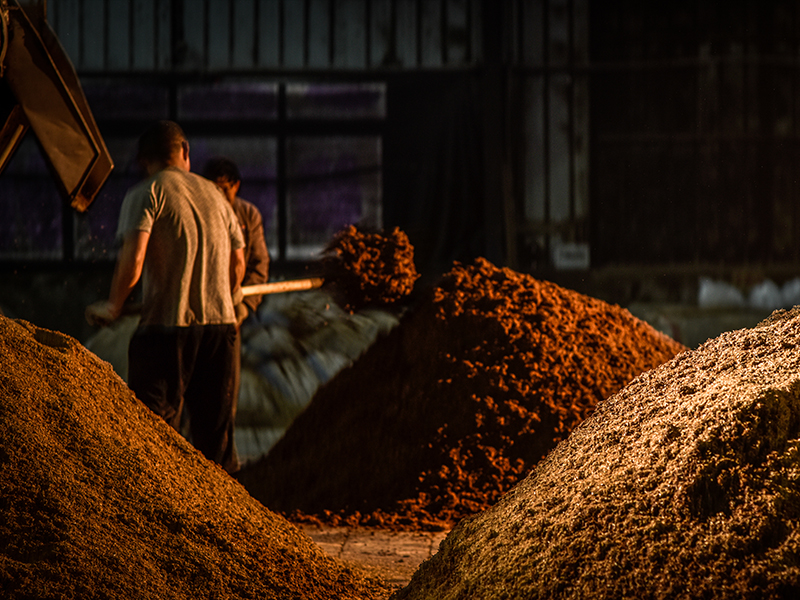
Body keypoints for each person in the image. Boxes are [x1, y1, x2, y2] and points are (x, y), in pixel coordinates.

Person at [86, 120, 246, 474]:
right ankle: (222, 507)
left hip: (166, 330)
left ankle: (157, 506)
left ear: (144, 161)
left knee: (154, 439)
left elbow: (134, 259)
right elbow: (238, 261)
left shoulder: (147, 192)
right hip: (220, 330)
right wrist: (226, 294)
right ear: (184, 151)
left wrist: (114, 305)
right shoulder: (217, 197)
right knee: (216, 444)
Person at [202, 157, 270, 324]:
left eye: (226, 190)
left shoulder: (249, 215)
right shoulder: (199, 216)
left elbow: (259, 262)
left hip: (237, 301)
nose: (221, 197)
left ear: (236, 186)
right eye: (215, 190)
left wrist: (245, 304)